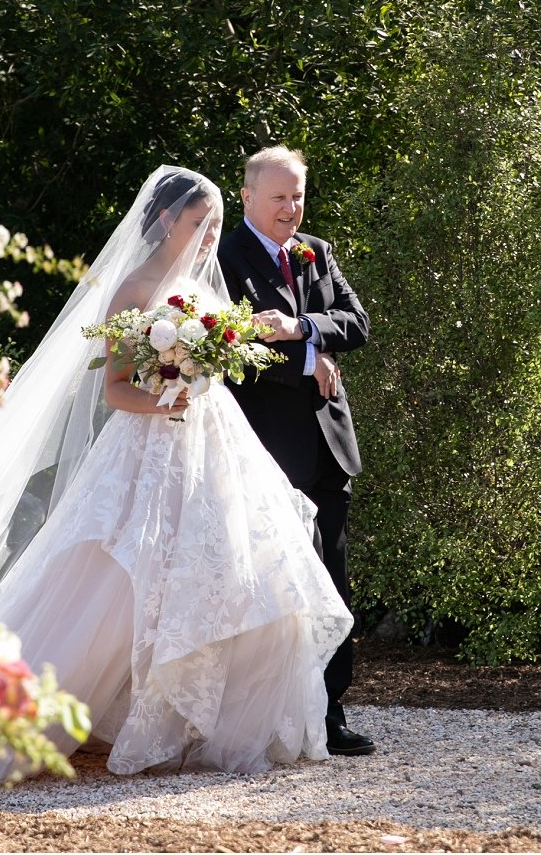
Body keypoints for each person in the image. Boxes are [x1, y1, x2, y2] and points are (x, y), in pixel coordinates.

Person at [0, 166, 353, 780]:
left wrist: (277, 359)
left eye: (215, 226)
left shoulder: (209, 291)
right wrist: (165, 399)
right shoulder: (132, 290)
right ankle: (11, 711)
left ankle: (211, 724)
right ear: (169, 219)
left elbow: (231, 360)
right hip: (146, 446)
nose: (209, 237)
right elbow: (115, 391)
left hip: (214, 442)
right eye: (201, 224)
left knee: (232, 572)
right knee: (117, 580)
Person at [218, 146, 374, 757]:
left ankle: (330, 713)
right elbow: (227, 352)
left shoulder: (316, 250)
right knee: (272, 580)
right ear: (249, 197)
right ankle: (269, 713)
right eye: (279, 196)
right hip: (265, 445)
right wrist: (311, 360)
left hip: (328, 443)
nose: (291, 207)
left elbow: (357, 322)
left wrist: (306, 330)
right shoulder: (223, 259)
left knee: (332, 577)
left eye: (298, 195)